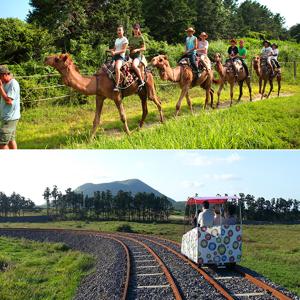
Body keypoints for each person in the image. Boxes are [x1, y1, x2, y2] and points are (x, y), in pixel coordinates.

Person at [0, 66, 20, 150]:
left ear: (4, 75)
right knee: (11, 140)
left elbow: (8, 101)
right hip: (7, 117)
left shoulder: (13, 84)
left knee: (1, 143)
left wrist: (0, 87)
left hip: (10, 118)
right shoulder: (5, 82)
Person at [109, 25, 129, 92]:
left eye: (120, 30)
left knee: (117, 68)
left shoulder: (125, 39)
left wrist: (115, 52)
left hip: (120, 57)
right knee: (108, 68)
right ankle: (122, 76)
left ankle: (117, 86)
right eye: (118, 30)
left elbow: (123, 50)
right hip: (115, 56)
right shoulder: (117, 39)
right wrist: (110, 50)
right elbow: (115, 48)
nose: (119, 31)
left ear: (123, 31)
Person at [129, 23, 146, 89]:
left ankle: (141, 81)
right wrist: (127, 48)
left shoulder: (141, 38)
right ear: (132, 29)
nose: (135, 30)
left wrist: (137, 50)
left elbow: (144, 48)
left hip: (137, 56)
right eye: (134, 29)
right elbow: (130, 47)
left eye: (137, 29)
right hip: (130, 56)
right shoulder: (131, 38)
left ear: (139, 29)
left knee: (134, 65)